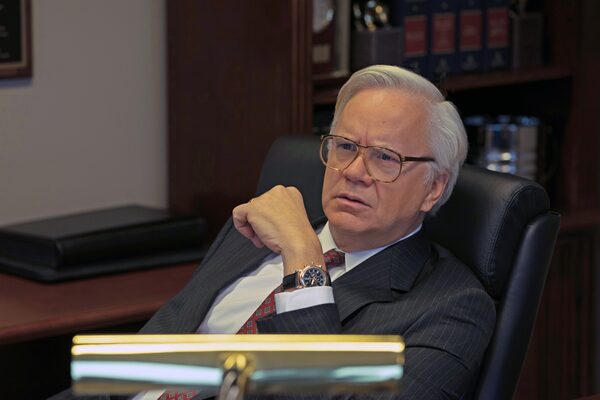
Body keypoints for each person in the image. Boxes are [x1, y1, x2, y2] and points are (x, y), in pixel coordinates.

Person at [52, 65, 495, 400]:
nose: (353, 172)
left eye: (384, 157)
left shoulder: (452, 309)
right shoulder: (252, 233)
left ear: (433, 188)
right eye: (344, 147)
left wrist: (303, 260)